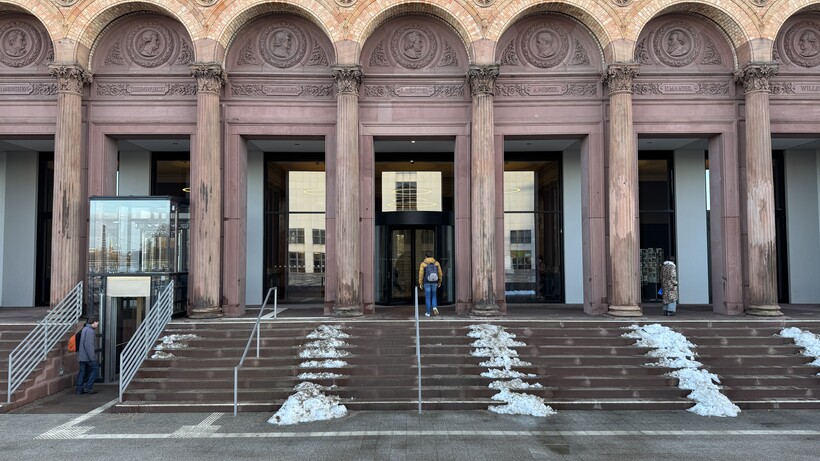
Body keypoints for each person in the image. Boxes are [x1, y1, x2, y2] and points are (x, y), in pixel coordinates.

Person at [76, 316, 100, 395]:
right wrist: (92, 357)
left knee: (82, 372)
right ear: (94, 322)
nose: (98, 324)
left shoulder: (84, 329)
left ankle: (79, 389)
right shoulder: (90, 331)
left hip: (82, 356)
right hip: (88, 357)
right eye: (97, 323)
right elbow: (89, 346)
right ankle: (89, 387)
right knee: (95, 369)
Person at [418, 250, 442, 317]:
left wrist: (420, 283)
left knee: (428, 297)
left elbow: (421, 274)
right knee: (434, 295)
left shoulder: (423, 264)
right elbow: (440, 273)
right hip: (434, 282)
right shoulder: (436, 263)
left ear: (425, 256)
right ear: (432, 256)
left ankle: (428, 313)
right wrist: (439, 281)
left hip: (426, 282)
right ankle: (434, 307)